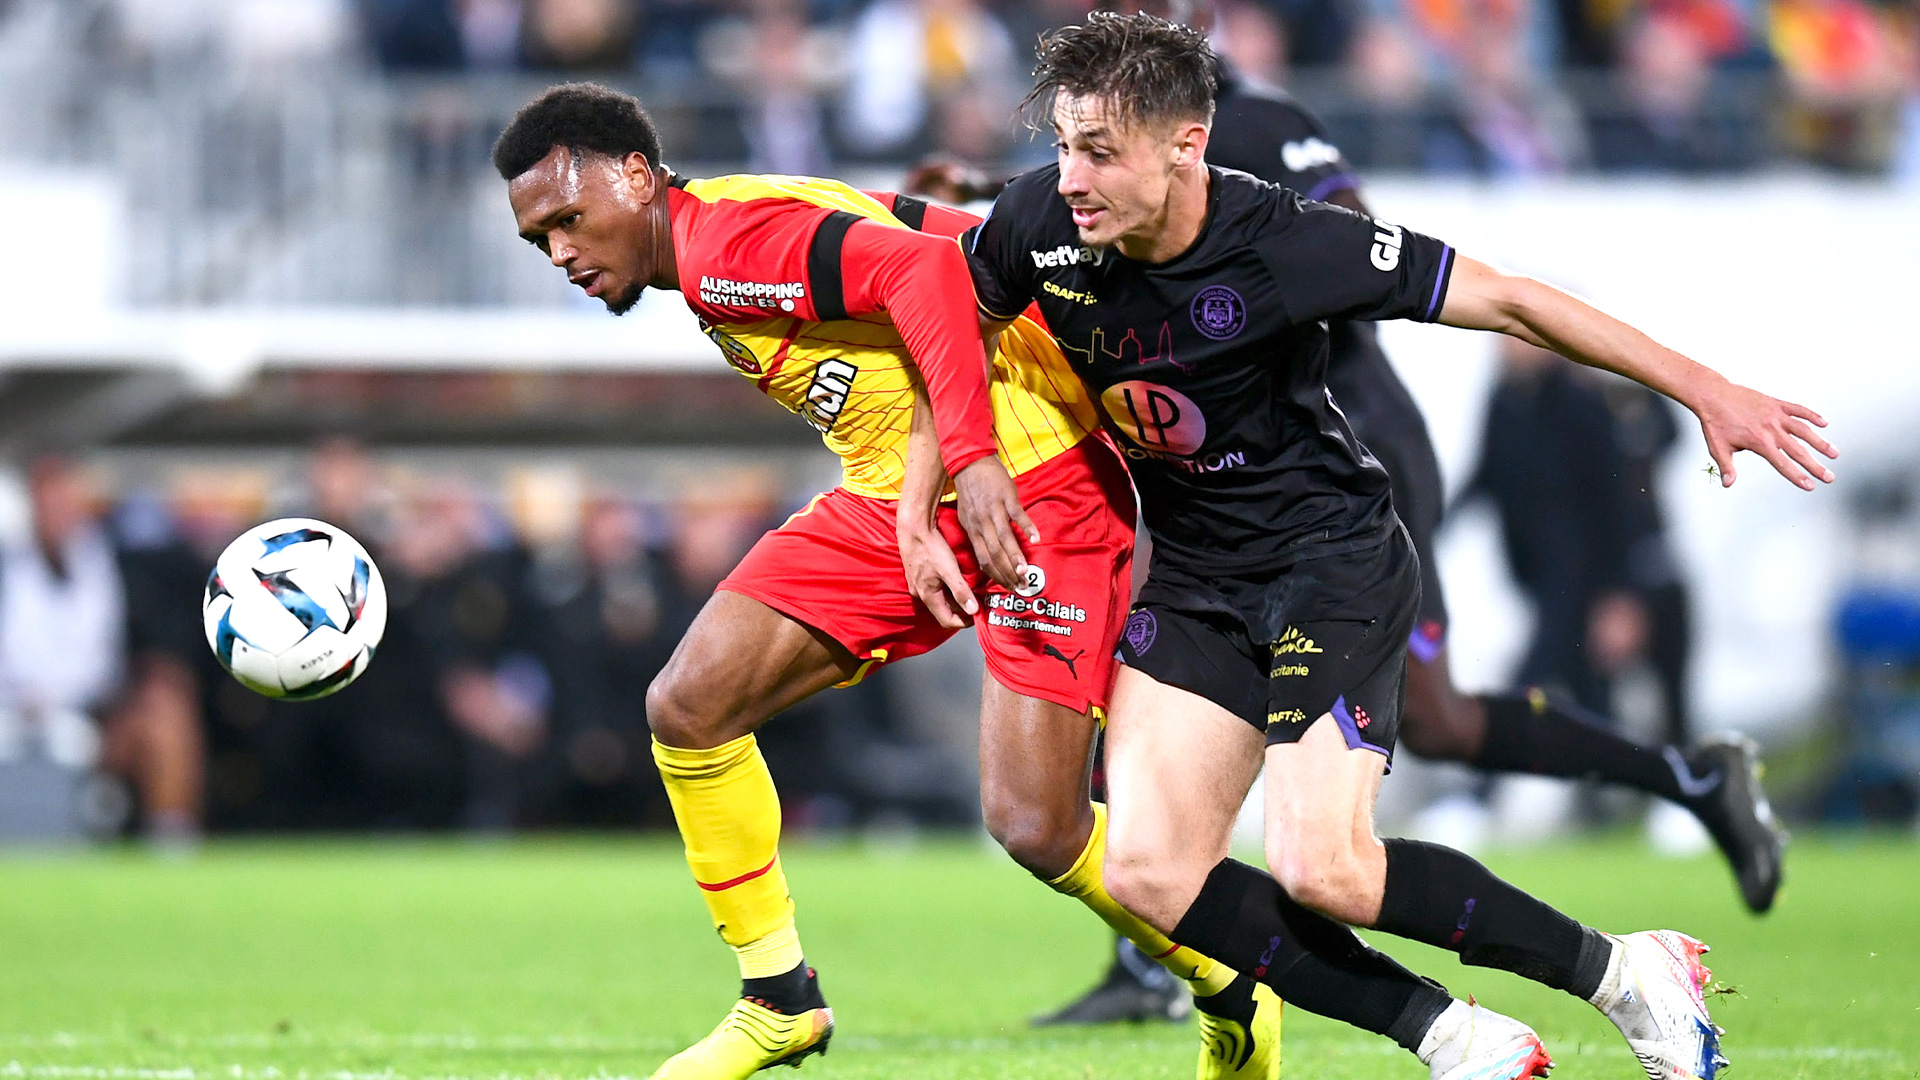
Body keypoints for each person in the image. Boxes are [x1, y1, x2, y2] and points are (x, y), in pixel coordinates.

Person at [939, 13, 1836, 1080]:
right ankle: (1450, 1037)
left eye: (1100, 151)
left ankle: (1622, 974)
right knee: (1143, 869)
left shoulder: (1286, 243)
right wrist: (942, 484)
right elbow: (943, 323)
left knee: (1323, 865)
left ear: (1186, 146)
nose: (1070, 177)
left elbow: (1509, 300)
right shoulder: (1035, 221)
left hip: (1331, 560)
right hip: (1193, 578)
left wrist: (1705, 388)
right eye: (1064, 145)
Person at [492, 83, 1283, 1080]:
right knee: (690, 707)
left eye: (569, 219)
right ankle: (778, 999)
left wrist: (968, 460)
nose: (561, 252)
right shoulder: (718, 243)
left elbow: (924, 275)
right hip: (895, 491)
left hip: (1035, 485)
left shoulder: (727, 250)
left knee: (1037, 826)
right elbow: (934, 242)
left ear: (639, 177)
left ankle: (1227, 970)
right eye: (540, 240)